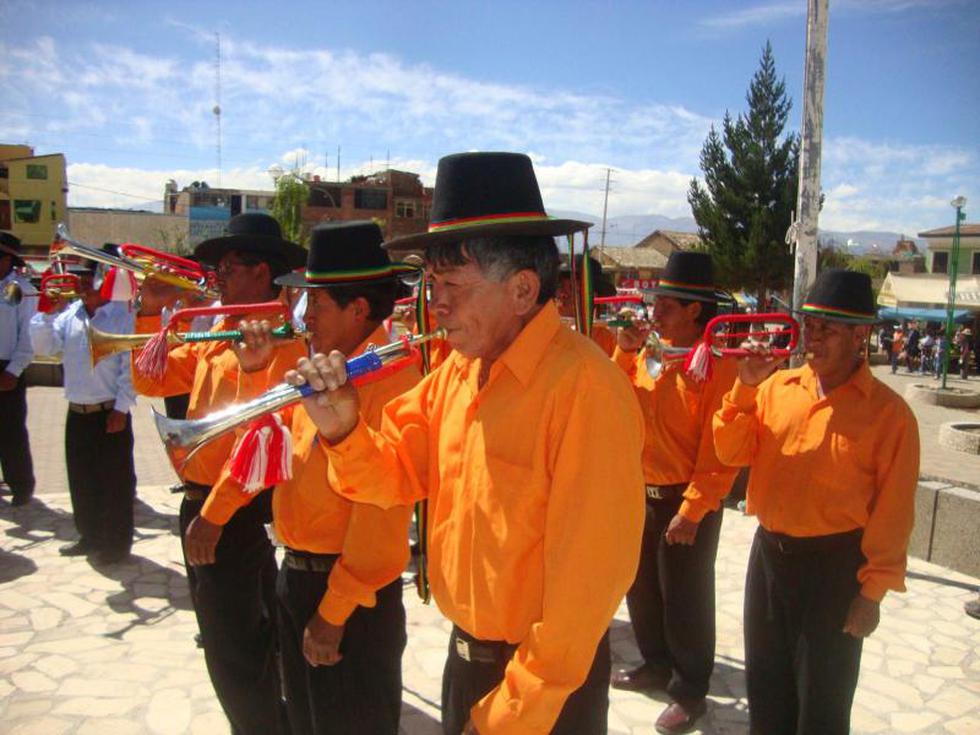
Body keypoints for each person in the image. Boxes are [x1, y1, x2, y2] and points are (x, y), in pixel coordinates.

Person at [287, 152, 645, 734]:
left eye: (452, 284)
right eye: (431, 285)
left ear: (523, 289)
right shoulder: (457, 372)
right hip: (468, 663)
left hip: (545, 693)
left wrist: (509, 714)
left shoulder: (586, 390)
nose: (436, 304)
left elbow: (587, 592)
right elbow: (394, 474)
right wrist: (342, 429)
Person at [186, 222, 420, 734]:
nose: (303, 316)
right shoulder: (323, 368)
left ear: (358, 309)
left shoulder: (393, 382)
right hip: (299, 578)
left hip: (348, 594)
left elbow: (382, 516)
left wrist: (334, 612)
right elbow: (269, 448)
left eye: (316, 304)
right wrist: (255, 370)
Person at [712, 269, 919, 735]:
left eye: (828, 327)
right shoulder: (775, 389)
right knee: (766, 689)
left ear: (859, 335)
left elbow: (895, 512)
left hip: (835, 572)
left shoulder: (890, 416)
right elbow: (729, 452)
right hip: (769, 559)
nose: (813, 336)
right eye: (809, 323)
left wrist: (872, 594)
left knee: (823, 702)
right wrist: (744, 387)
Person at [133, 212, 307, 735]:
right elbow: (149, 377)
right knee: (247, 634)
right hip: (208, 501)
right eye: (221, 266)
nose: (219, 275)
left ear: (264, 273)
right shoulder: (220, 331)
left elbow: (263, 439)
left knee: (232, 647)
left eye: (232, 266)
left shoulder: (286, 342)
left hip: (231, 507)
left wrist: (212, 515)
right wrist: (151, 309)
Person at [609, 251, 739, 733]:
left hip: (686, 501)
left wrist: (694, 509)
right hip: (641, 492)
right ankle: (656, 664)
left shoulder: (716, 367)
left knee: (685, 598)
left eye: (668, 302)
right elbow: (615, 399)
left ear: (694, 312)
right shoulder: (650, 352)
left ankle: (689, 689)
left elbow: (720, 452)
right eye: (657, 299)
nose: (656, 309)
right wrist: (623, 351)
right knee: (641, 587)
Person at [30, 262, 137, 563]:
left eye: (89, 279)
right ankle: (89, 536)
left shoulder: (121, 317)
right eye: (80, 280)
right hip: (76, 410)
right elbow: (45, 347)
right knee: (82, 480)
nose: (83, 285)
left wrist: (121, 408)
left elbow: (130, 367)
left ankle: (116, 545)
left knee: (114, 483)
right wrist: (46, 312)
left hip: (109, 412)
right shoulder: (69, 315)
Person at [0, 232, 37, 507]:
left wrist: (14, 369)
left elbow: (29, 335)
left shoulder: (21, 289)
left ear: (9, 259)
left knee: (11, 430)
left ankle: (21, 485)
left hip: (8, 365)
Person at [555, 254, 618, 356]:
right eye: (560, 286)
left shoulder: (607, 340)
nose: (563, 294)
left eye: (573, 288)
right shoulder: (545, 328)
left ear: (592, 296)